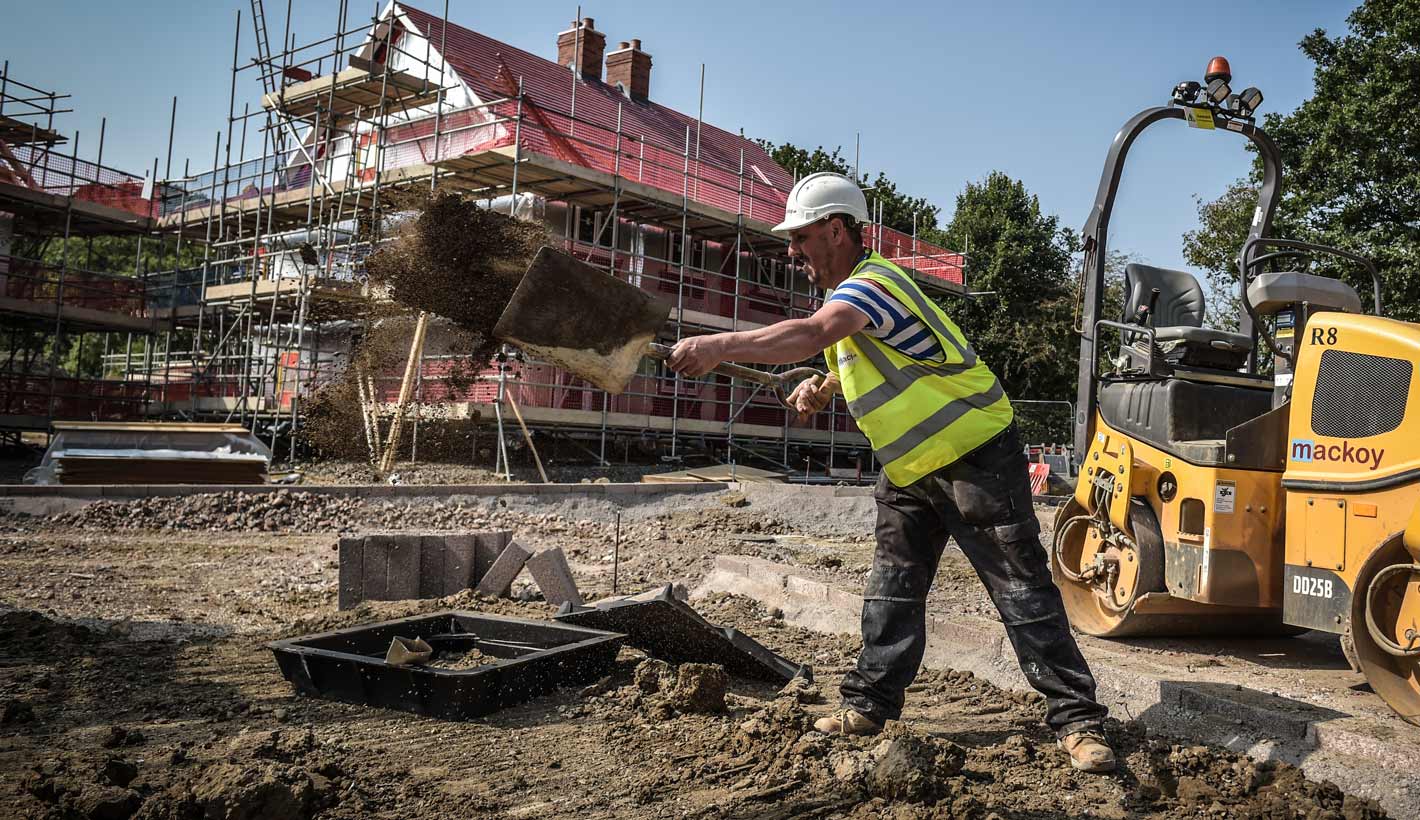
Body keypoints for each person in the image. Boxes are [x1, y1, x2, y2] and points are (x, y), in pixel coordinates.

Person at [667, 172, 1115, 773]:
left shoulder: (874, 284)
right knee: (891, 590)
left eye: (800, 238)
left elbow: (816, 333)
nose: (793, 253)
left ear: (836, 229)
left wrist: (722, 346)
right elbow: (855, 353)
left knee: (1020, 588)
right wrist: (821, 385)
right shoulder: (854, 298)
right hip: (909, 469)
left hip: (973, 454)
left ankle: (1079, 721)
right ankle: (869, 705)